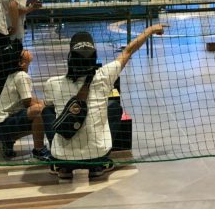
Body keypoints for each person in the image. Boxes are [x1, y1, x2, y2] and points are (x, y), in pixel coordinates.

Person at [44, 25, 163, 181]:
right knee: (114, 108)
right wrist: (150, 30)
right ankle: (98, 166)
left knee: (46, 111)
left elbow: (48, 106)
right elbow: (128, 51)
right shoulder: (104, 76)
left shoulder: (52, 83)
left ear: (70, 58)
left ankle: (62, 167)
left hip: (63, 157)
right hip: (97, 155)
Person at [0, 49, 53, 161]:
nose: (24, 50)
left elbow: (29, 99)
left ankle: (7, 141)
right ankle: (39, 150)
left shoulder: (15, 75)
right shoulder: (22, 76)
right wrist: (47, 107)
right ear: (21, 63)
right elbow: (27, 102)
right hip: (2, 126)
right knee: (40, 112)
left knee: (43, 110)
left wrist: (46, 104)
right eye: (22, 52)